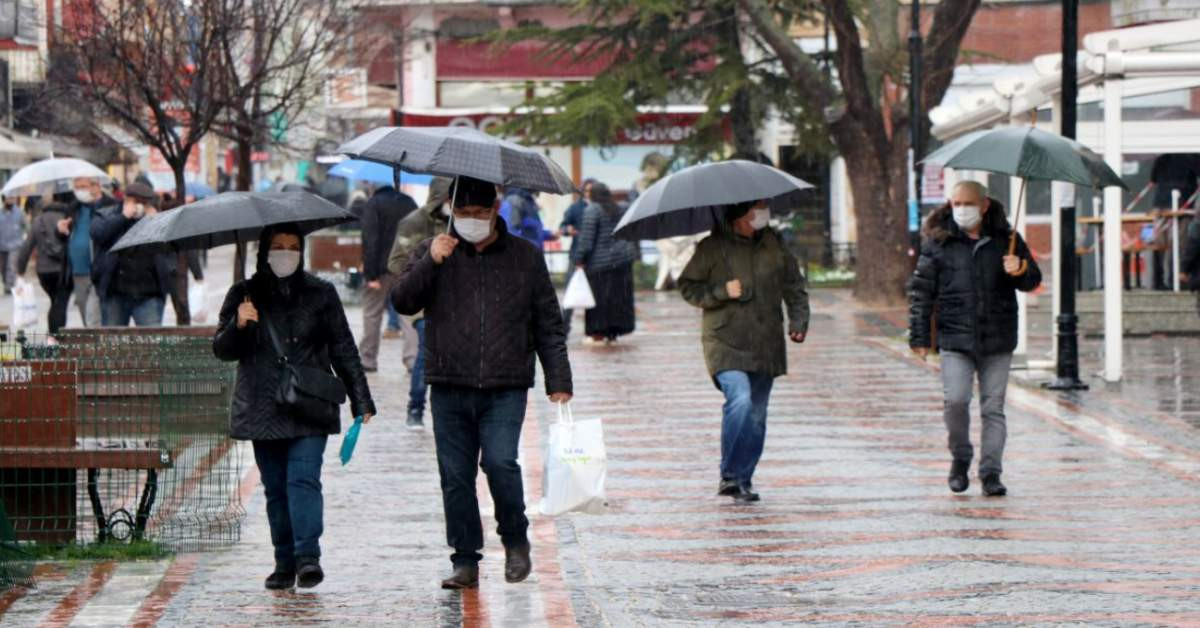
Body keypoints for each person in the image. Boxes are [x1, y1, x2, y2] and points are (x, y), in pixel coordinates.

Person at [391, 175, 572, 590]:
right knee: (455, 477)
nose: (471, 220)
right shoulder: (435, 250)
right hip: (449, 382)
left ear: (495, 210)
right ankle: (465, 560)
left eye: (480, 213)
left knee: (500, 462)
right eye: (463, 213)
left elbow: (548, 321)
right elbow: (403, 301)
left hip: (505, 384)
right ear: (451, 210)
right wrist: (430, 262)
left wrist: (558, 378)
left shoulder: (525, 257)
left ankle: (514, 539)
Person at [213, 224, 375, 590]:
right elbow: (222, 350)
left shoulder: (321, 293)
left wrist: (360, 398)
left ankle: (307, 557)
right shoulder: (244, 294)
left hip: (309, 404)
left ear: (301, 251)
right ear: (264, 251)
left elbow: (343, 347)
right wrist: (239, 324)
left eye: (292, 247)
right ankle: (284, 561)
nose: (285, 253)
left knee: (303, 479)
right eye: (278, 246)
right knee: (275, 487)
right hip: (261, 404)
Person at [908, 180, 1042, 498]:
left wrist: (1019, 268)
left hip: (998, 336)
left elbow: (1032, 280)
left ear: (984, 205)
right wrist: (919, 335)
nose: (962, 210)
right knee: (955, 400)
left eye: (968, 204)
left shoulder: (1007, 240)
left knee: (993, 407)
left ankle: (991, 472)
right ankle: (960, 457)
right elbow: (921, 292)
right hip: (955, 338)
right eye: (956, 204)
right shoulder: (938, 242)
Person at [679, 199, 809, 503]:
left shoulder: (774, 245)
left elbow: (795, 286)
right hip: (724, 340)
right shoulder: (711, 247)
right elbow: (688, 287)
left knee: (756, 415)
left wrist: (799, 321)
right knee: (740, 400)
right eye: (759, 208)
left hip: (766, 341)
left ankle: (743, 478)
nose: (765, 213)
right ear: (741, 215)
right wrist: (722, 292)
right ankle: (730, 475)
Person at [387, 177, 453, 430]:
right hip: (424, 304)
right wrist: (427, 264)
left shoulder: (461, 222)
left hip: (457, 302)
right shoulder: (414, 222)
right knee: (426, 353)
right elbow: (396, 263)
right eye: (447, 198)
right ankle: (415, 407)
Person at [90, 182, 173, 326]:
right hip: (115, 292)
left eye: (144, 203)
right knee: (113, 343)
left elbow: (168, 248)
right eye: (136, 202)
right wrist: (123, 217)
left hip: (149, 293)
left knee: (151, 343)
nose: (140, 206)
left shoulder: (154, 219)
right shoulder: (106, 214)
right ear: (126, 199)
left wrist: (156, 223)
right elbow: (98, 234)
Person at [358, 185, 417, 372]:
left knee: (372, 314)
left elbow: (370, 238)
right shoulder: (409, 203)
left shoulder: (374, 204)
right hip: (405, 268)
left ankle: (368, 359)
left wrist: (370, 274)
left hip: (380, 269)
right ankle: (412, 360)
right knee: (408, 316)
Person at [572, 182, 638, 345]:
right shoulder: (622, 208)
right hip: (622, 262)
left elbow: (587, 240)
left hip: (599, 265)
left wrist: (579, 259)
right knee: (618, 299)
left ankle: (598, 333)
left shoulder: (592, 210)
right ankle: (614, 333)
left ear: (592, 195)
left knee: (599, 301)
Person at [16, 202, 72, 334]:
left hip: (44, 271)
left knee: (55, 301)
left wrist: (20, 271)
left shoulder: (38, 221)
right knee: (60, 303)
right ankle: (56, 334)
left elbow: (26, 247)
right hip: (64, 269)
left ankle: (53, 333)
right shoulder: (68, 219)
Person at [66, 177, 114, 326]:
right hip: (78, 270)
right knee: (83, 309)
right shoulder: (74, 208)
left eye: (83, 186)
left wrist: (96, 201)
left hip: (99, 269)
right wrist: (59, 230)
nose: (80, 191)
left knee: (99, 315)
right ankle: (90, 344)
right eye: (77, 187)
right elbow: (68, 232)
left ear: (96, 186)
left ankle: (100, 345)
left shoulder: (108, 205)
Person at [1149, 154, 1200, 290]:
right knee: (1179, 244)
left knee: (1159, 245)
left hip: (1160, 204)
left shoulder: (1162, 157)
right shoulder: (1193, 156)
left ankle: (1157, 281)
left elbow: (1153, 179)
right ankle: (1175, 280)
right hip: (1183, 205)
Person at [559, 178, 595, 332]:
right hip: (576, 255)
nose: (589, 194)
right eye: (587, 191)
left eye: (593, 191)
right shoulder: (575, 208)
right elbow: (562, 227)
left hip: (595, 256)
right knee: (570, 294)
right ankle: (563, 328)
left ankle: (593, 329)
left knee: (595, 294)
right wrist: (569, 230)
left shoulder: (601, 207)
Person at [0, 196, 24, 294]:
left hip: (15, 244)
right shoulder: (0, 213)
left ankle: (9, 286)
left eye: (12, 198)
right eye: (8, 199)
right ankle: (6, 282)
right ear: (4, 200)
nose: (11, 200)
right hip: (2, 244)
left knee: (11, 265)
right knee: (3, 266)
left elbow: (26, 226)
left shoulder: (19, 213)